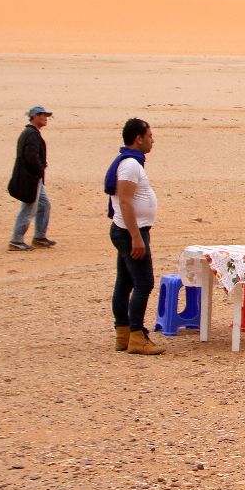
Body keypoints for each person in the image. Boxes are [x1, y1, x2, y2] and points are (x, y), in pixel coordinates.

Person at [105, 118, 164, 355]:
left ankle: (124, 333)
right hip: (131, 232)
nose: (152, 140)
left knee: (125, 282)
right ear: (138, 138)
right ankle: (137, 336)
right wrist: (136, 237)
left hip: (129, 230)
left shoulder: (132, 163)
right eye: (149, 136)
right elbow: (125, 201)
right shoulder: (130, 164)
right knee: (143, 282)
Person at [6, 105, 56, 251]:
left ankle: (39, 237)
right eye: (43, 116)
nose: (46, 119)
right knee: (28, 209)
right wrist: (40, 170)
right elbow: (31, 157)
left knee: (44, 205)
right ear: (35, 116)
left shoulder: (31, 133)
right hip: (31, 178)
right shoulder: (31, 134)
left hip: (33, 178)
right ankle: (16, 240)